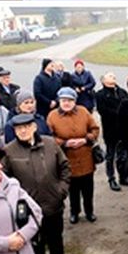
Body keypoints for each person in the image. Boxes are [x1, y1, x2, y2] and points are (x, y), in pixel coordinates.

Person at [1, 112, 74, 254]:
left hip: (53, 204)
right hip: (28, 210)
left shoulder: (50, 144)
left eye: (27, 127)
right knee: (35, 245)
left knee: (56, 242)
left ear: (34, 127)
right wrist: (16, 201)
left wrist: (61, 190)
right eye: (19, 128)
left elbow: (65, 167)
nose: (23, 131)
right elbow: (4, 179)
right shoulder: (9, 151)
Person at [47, 87, 101, 224]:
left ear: (75, 101)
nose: (67, 103)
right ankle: (74, 212)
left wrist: (86, 139)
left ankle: (89, 211)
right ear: (59, 101)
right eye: (64, 100)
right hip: (66, 159)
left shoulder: (83, 111)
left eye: (70, 100)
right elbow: (49, 137)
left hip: (86, 158)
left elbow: (95, 129)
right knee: (73, 190)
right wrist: (65, 143)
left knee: (88, 189)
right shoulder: (52, 116)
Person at [95, 72, 128, 192]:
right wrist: (119, 112)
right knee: (111, 155)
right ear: (103, 80)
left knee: (123, 155)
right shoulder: (100, 95)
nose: (113, 77)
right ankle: (111, 178)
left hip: (124, 128)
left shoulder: (122, 92)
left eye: (114, 76)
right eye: (110, 76)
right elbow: (103, 111)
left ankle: (123, 176)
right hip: (110, 129)